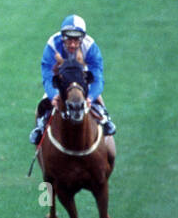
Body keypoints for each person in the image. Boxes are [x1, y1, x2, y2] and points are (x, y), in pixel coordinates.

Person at [30, 14, 115, 144]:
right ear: (63, 37)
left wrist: (90, 97)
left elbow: (97, 77)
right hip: (62, 79)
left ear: (82, 39)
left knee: (98, 100)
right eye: (69, 40)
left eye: (76, 40)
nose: (73, 44)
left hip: (82, 78)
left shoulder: (91, 47)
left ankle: (105, 119)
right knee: (44, 102)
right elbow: (47, 75)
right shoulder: (52, 45)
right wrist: (54, 96)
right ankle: (40, 127)